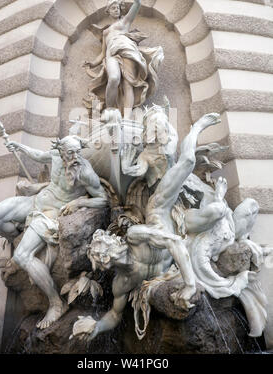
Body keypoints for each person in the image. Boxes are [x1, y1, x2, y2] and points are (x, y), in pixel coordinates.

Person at [72, 113, 221, 342]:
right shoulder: (121, 283)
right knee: (213, 209)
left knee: (188, 162)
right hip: (170, 244)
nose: (107, 255)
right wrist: (97, 327)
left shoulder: (134, 236)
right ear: (105, 263)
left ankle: (197, 127)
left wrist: (190, 284)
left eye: (106, 250)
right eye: (103, 257)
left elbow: (173, 242)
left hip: (159, 210)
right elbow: (114, 314)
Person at [0, 135, 108, 329]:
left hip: (51, 215)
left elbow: (104, 199)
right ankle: (18, 237)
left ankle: (55, 303)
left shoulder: (85, 171)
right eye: (71, 153)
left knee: (22, 256)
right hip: (38, 201)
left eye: (78, 151)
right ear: (61, 152)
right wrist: (19, 146)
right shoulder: (56, 156)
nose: (76, 156)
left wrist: (79, 202)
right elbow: (39, 155)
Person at [84, 0, 164, 118]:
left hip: (128, 52)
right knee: (114, 79)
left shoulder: (125, 22)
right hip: (111, 55)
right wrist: (93, 63)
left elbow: (138, 3)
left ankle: (126, 119)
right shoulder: (106, 32)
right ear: (108, 12)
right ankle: (109, 113)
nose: (116, 9)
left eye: (117, 7)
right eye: (113, 8)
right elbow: (103, 53)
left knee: (128, 85)